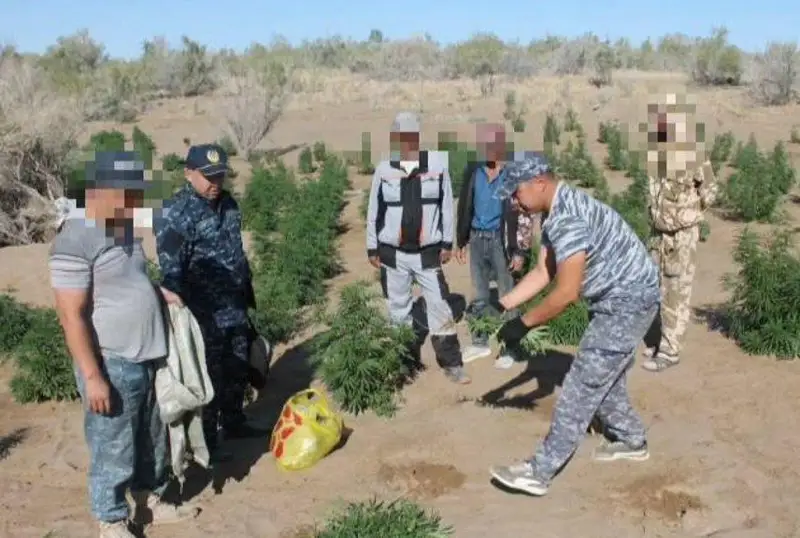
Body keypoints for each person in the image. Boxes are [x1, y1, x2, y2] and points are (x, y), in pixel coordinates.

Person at [487, 153, 661, 497]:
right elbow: (544, 272)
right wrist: (503, 305)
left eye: (516, 192)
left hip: (627, 302)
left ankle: (539, 472)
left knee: (581, 386)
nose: (513, 201)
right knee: (604, 378)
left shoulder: (567, 218)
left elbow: (566, 293)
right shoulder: (556, 209)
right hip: (619, 299)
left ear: (539, 183)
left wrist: (523, 325)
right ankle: (631, 439)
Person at [49, 152, 197, 538]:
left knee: (152, 438)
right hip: (111, 360)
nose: (135, 201)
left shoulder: (121, 226)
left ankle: (151, 501)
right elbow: (71, 315)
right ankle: (111, 520)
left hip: (147, 354)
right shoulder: (75, 236)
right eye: (129, 194)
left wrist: (157, 292)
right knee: (113, 445)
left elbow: (128, 278)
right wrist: (92, 376)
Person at [156, 143, 265, 463]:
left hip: (234, 304)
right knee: (208, 375)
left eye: (220, 176)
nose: (215, 183)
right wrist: (179, 314)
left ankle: (234, 421)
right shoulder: (175, 214)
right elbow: (171, 269)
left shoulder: (229, 205)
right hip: (203, 313)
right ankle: (207, 443)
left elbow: (236, 250)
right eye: (208, 177)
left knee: (236, 366)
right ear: (188, 173)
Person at [365, 111, 470, 384]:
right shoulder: (384, 169)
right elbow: (374, 210)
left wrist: (447, 243)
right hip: (393, 254)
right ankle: (404, 364)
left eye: (411, 136)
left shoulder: (436, 165)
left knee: (439, 306)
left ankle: (452, 364)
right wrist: (372, 247)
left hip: (428, 253)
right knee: (398, 309)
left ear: (418, 137)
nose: (407, 142)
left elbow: (446, 206)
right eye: (401, 137)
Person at [641, 94, 718, 372]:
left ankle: (670, 351)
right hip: (658, 233)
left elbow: (710, 190)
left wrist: (689, 215)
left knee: (676, 291)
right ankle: (662, 339)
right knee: (657, 288)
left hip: (682, 236)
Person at [455, 123, 525, 369]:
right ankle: (479, 341)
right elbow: (465, 205)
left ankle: (511, 347)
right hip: (476, 238)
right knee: (479, 294)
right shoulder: (474, 171)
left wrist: (518, 250)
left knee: (509, 295)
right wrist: (461, 239)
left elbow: (522, 214)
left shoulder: (512, 174)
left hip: (500, 240)